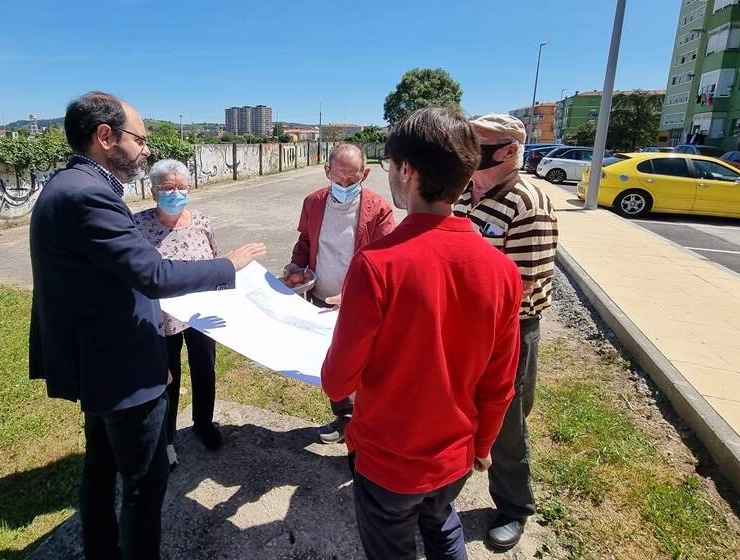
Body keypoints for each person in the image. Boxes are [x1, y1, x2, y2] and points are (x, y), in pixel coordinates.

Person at [28, 92, 265, 560]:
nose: (146, 149)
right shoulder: (88, 195)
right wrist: (227, 265)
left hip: (97, 356)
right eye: (139, 138)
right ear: (105, 137)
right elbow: (153, 274)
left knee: (100, 466)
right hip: (118, 366)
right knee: (143, 482)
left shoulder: (68, 186)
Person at [321, 108, 523, 560]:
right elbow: (500, 382)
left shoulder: (377, 264)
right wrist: (482, 445)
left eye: (391, 165)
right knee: (441, 523)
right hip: (455, 456)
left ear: (406, 170)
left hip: (387, 462)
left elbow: (338, 380)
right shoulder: (503, 272)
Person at [453, 113, 558, 551]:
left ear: (511, 150)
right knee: (460, 404)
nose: (468, 153)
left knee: (507, 421)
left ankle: (514, 507)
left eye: (479, 146)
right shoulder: (463, 193)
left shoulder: (528, 203)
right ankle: (453, 476)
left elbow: (523, 284)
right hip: (463, 322)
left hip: (509, 329)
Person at [284, 142, 395, 444]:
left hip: (361, 306)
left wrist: (357, 296)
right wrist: (296, 266)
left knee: (367, 367)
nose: (344, 184)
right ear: (327, 171)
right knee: (335, 365)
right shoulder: (314, 202)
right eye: (338, 177)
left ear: (365, 174)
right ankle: (344, 419)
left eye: (352, 178)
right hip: (321, 301)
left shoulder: (379, 209)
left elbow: (388, 261)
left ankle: (369, 425)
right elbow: (306, 241)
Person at [132, 159, 223, 471]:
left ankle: (204, 423)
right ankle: (167, 439)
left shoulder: (202, 221)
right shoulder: (138, 225)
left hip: (201, 316)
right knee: (166, 377)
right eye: (168, 188)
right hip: (160, 318)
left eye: (181, 187)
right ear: (154, 190)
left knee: (204, 369)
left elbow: (215, 261)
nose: (175, 193)